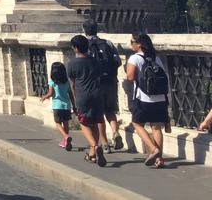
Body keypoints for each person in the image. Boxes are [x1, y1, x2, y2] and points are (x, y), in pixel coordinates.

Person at [125, 32, 170, 168]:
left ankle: (152, 149)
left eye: (132, 42)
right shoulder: (156, 58)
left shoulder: (135, 58)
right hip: (160, 98)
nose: (131, 44)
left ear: (139, 44)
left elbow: (130, 77)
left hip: (143, 98)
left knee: (137, 123)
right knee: (156, 127)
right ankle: (159, 159)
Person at [82, 19, 124, 151]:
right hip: (110, 81)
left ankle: (104, 142)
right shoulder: (107, 43)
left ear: (84, 30)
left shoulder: (84, 45)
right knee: (110, 110)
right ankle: (115, 132)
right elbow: (118, 61)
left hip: (95, 84)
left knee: (99, 114)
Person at [67, 34, 107, 167]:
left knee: (83, 123)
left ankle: (95, 146)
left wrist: (74, 101)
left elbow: (72, 85)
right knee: (95, 123)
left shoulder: (72, 64)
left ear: (75, 48)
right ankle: (92, 154)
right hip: (97, 95)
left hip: (83, 96)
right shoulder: (95, 61)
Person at [40, 61, 73, 150]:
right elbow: (70, 94)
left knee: (58, 123)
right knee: (66, 123)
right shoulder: (67, 81)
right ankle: (65, 141)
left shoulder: (52, 81)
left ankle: (66, 137)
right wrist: (74, 105)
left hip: (57, 106)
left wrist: (44, 97)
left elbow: (51, 93)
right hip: (66, 105)